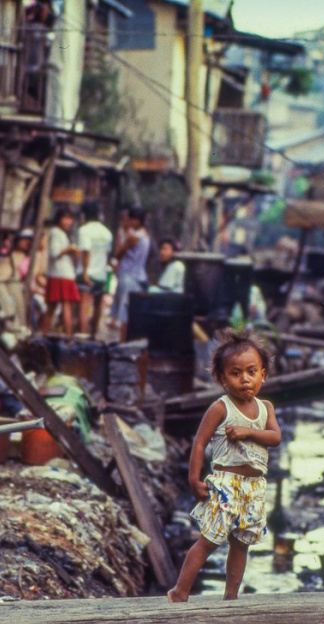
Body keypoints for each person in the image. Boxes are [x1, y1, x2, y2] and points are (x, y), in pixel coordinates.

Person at [168, 328, 281, 602]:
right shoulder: (221, 408)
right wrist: (194, 479)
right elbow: (199, 443)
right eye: (235, 373)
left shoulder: (266, 407)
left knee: (241, 543)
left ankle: (231, 597)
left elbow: (275, 437)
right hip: (226, 485)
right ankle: (180, 592)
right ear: (222, 379)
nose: (245, 379)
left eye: (251, 372)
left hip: (254, 487)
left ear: (263, 374)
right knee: (209, 539)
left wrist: (248, 432)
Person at [110, 206, 151, 340]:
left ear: (137, 220)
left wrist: (120, 236)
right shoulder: (146, 235)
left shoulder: (133, 237)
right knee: (131, 312)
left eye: (132, 219)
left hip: (129, 276)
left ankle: (123, 341)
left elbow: (118, 253)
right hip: (139, 276)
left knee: (125, 314)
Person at [40, 208, 82, 337]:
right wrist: (70, 249)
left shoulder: (61, 233)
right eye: (66, 218)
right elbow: (54, 252)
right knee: (63, 306)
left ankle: (44, 334)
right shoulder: (56, 232)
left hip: (60, 274)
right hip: (61, 274)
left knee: (53, 308)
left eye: (70, 219)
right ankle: (67, 336)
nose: (68, 222)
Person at [76, 201, 114, 339]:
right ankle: (94, 334)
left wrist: (85, 272)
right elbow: (107, 253)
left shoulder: (84, 230)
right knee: (98, 306)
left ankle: (83, 335)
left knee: (84, 306)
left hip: (87, 273)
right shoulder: (106, 232)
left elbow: (86, 252)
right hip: (101, 274)